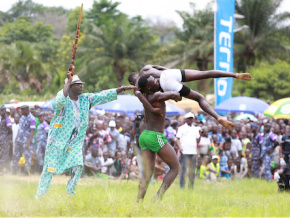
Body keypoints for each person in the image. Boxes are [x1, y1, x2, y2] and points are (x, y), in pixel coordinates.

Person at [35, 71, 135, 199]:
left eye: (81, 84)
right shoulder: (63, 98)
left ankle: (69, 193)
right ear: (70, 86)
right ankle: (40, 195)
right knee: (49, 169)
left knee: (78, 165)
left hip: (75, 141)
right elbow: (58, 103)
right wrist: (68, 81)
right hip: (57, 140)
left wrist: (121, 89)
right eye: (78, 85)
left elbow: (102, 95)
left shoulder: (85, 99)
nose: (81, 86)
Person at [130, 65, 251, 130]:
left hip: (167, 86)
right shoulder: (146, 68)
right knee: (205, 73)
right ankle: (235, 75)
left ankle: (218, 117)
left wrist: (151, 109)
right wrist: (175, 73)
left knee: (199, 98)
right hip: (170, 73)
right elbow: (161, 68)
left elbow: (148, 100)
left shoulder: (139, 88)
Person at [137, 89, 181, 201]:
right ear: (148, 85)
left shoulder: (144, 95)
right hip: (154, 135)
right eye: (153, 80)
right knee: (175, 167)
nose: (156, 81)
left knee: (147, 173)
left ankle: (138, 201)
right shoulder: (156, 95)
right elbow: (175, 93)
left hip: (144, 134)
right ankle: (157, 198)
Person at [176, 112, 200, 188]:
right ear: (186, 119)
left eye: (191, 118)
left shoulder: (195, 129)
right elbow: (177, 139)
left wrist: (201, 135)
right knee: (183, 170)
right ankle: (182, 186)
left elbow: (198, 141)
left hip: (193, 152)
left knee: (192, 170)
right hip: (185, 151)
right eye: (188, 118)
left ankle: (191, 186)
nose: (190, 120)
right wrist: (180, 147)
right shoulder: (181, 128)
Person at [12, 105, 36, 175]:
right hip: (19, 141)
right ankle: (14, 171)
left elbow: (32, 131)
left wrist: (28, 143)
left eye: (22, 110)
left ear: (26, 110)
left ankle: (26, 172)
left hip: (26, 142)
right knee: (15, 155)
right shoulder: (22, 117)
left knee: (27, 156)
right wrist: (16, 138)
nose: (21, 112)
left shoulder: (32, 119)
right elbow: (20, 129)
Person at [0, 105, 13, 173]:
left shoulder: (7, 119)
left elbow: (10, 129)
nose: (0, 112)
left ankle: (2, 169)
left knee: (4, 154)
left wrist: (10, 139)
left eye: (2, 111)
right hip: (2, 139)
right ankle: (8, 169)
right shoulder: (2, 119)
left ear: (4, 111)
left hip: (6, 140)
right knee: (5, 154)